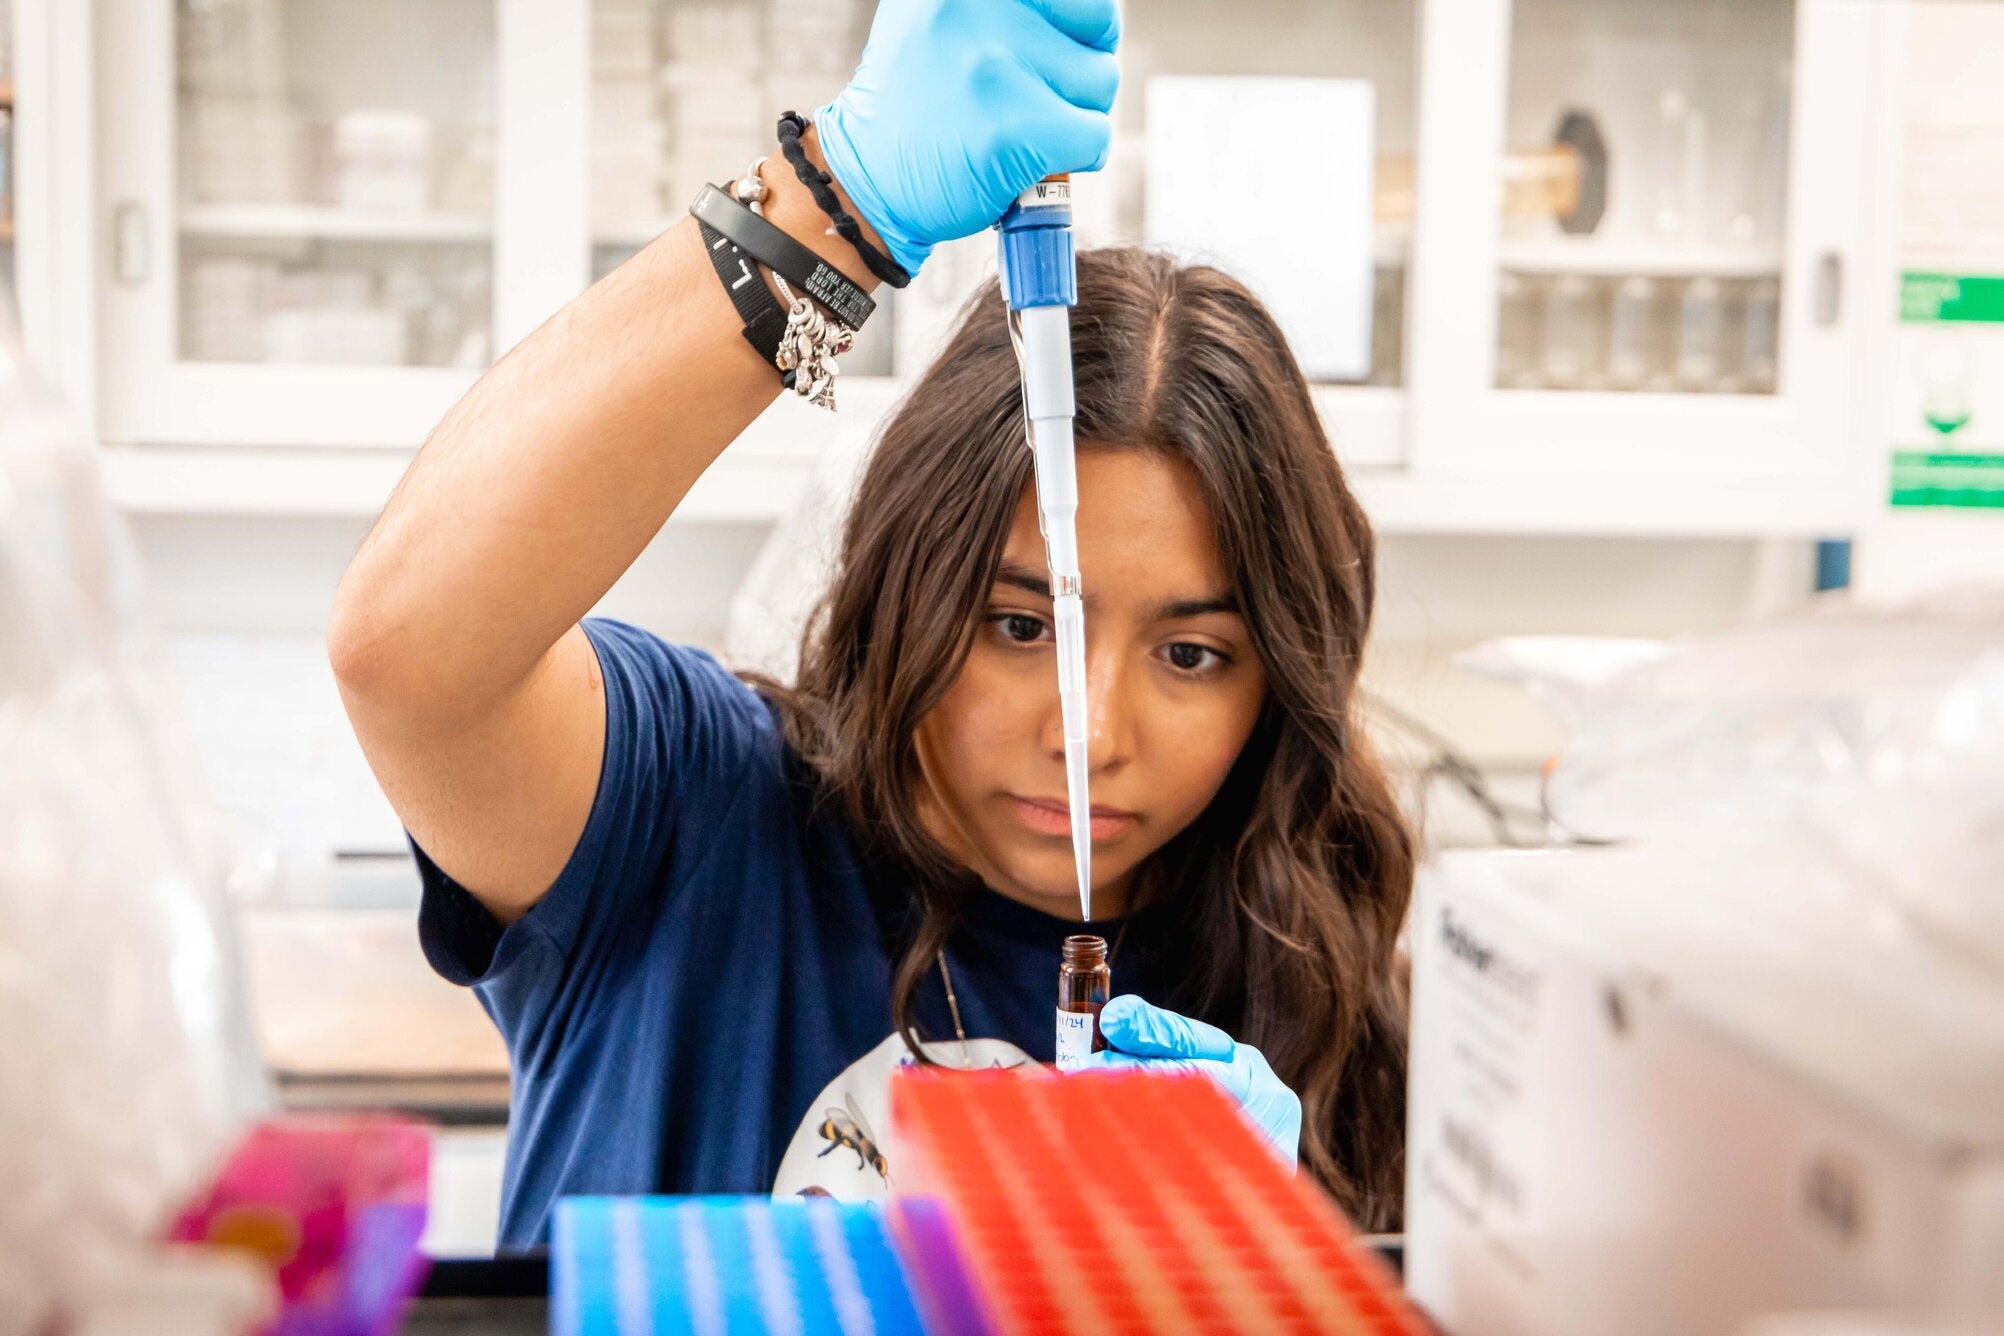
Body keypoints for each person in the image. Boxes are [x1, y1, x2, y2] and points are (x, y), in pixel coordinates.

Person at [328, 0, 1412, 1248]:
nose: (1091, 730)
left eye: (1190, 653)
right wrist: (833, 200)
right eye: (1019, 624)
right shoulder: (695, 817)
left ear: (1275, 681)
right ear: (912, 587)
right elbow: (409, 653)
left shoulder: (1294, 975)